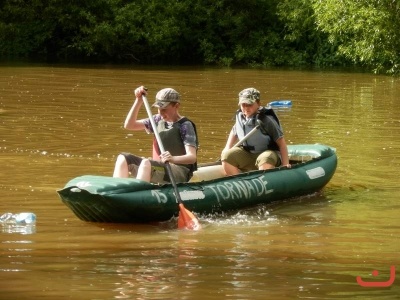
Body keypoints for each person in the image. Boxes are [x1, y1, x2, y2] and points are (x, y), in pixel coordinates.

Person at [113, 86, 198, 183]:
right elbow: (129, 125)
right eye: (159, 109)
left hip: (180, 172)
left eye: (164, 109)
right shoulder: (157, 120)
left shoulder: (185, 125)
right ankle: (116, 190)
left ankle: (141, 195)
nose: (161, 113)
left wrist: (172, 159)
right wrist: (138, 100)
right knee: (123, 157)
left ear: (176, 106)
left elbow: (192, 157)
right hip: (159, 167)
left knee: (146, 163)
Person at [221, 87, 290, 176]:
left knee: (265, 159)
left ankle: (262, 182)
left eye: (249, 104)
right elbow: (235, 131)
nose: (246, 108)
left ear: (258, 103)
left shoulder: (266, 120)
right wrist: (227, 147)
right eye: (243, 105)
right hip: (248, 153)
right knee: (227, 156)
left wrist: (285, 164)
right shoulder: (240, 117)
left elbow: (282, 144)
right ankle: (240, 182)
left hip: (268, 153)